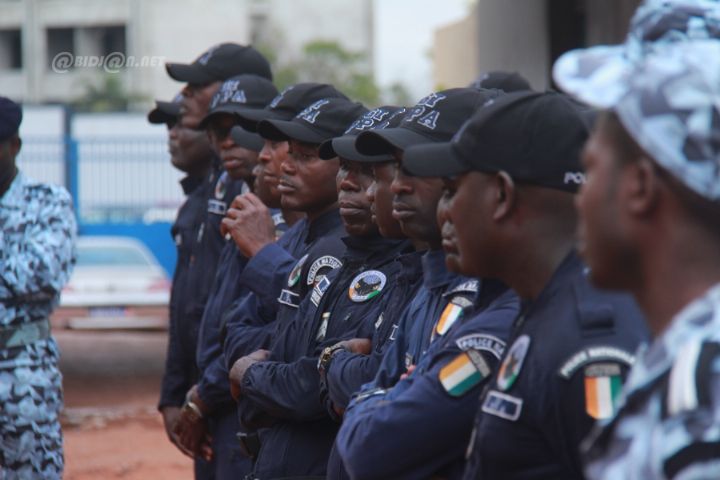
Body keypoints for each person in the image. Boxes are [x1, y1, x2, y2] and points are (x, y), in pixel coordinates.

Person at [402, 90, 650, 479]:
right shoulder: (540, 306)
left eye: (453, 190)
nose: (444, 212)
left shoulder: (589, 345)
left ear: (501, 196)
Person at [557, 34, 720, 480]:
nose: (578, 197)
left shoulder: (705, 401)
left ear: (640, 186)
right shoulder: (686, 357)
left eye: (590, 169)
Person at [330, 87, 504, 479]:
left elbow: (374, 446)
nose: (390, 188)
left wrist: (369, 393)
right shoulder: (428, 283)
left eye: (415, 168)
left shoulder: (494, 303)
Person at [228, 97, 370, 479]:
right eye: (287, 153)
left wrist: (255, 374)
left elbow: (311, 385)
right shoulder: (297, 239)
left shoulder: (357, 252)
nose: (283, 165)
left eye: (306, 157)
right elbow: (235, 333)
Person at [160, 42, 272, 479]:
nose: (185, 93)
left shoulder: (272, 210)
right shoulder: (216, 190)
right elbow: (195, 306)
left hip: (240, 401)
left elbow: (263, 328)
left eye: (196, 85)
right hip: (209, 394)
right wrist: (180, 393)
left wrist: (202, 396)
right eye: (218, 130)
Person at [0, 96, 76, 479]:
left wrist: (18, 271)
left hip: (24, 368)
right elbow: (19, 272)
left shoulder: (48, 202)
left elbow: (41, 275)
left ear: (15, 145)